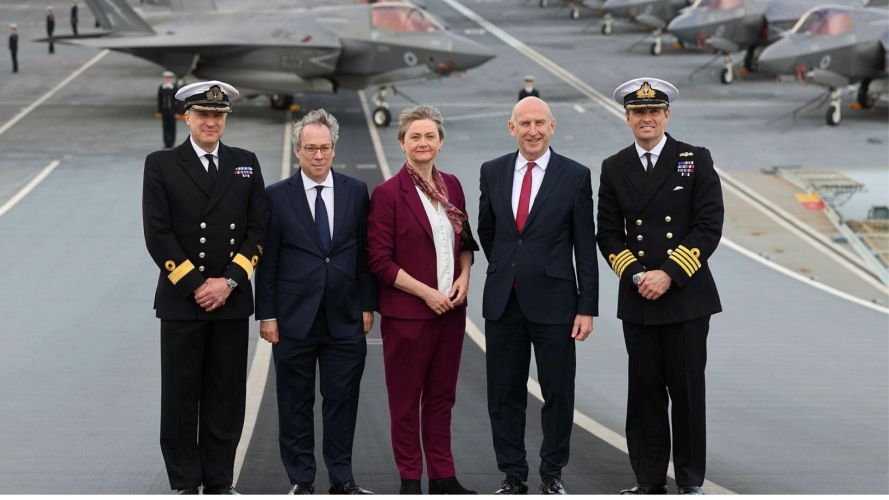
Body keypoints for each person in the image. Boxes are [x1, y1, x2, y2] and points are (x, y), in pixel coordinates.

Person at [597, 78, 723, 495]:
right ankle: (648, 480)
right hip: (639, 298)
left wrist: (668, 272)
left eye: (653, 112)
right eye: (638, 112)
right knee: (645, 394)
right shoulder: (614, 166)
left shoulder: (695, 159)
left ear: (666, 115)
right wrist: (636, 274)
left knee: (687, 393)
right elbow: (608, 234)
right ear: (627, 117)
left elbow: (708, 226)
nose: (646, 118)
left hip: (685, 297)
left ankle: (689, 481)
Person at [142, 80, 269, 495]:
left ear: (225, 119)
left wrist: (229, 281)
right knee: (181, 396)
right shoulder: (161, 164)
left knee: (225, 395)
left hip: (229, 300)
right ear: (187, 117)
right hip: (183, 300)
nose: (211, 122)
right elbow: (157, 233)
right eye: (203, 114)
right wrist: (198, 285)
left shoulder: (245, 162)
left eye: (218, 115)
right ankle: (184, 481)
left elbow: (257, 229)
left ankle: (218, 481)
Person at [477, 96, 597, 495]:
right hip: (503, 301)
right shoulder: (492, 171)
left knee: (558, 393)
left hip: (556, 304)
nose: (532, 131)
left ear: (552, 126)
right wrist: (511, 268)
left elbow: (585, 247)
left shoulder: (575, 175)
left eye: (539, 123)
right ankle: (513, 474)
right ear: (511, 128)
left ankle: (552, 473)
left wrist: (586, 307)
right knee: (503, 394)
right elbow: (488, 232)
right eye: (524, 123)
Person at [254, 109, 377, 495]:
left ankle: (342, 479)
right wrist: (267, 314)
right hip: (293, 320)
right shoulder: (275, 196)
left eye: (324, 148)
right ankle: (301, 480)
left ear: (334, 149)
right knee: (294, 403)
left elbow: (364, 254)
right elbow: (267, 260)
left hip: (345, 317)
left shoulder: (357, 191)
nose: (318, 155)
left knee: (342, 401)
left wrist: (367, 304)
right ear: (297, 150)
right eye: (311, 148)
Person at [367, 105, 479, 495]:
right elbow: (380, 261)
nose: (423, 142)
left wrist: (465, 277)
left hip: (450, 313)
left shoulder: (452, 185)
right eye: (415, 136)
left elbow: (466, 243)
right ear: (402, 143)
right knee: (405, 401)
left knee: (442, 397)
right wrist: (426, 293)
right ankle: (410, 479)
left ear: (440, 142)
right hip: (409, 316)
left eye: (430, 136)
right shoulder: (387, 195)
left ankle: (444, 477)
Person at [157, 70, 178, 149]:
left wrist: (176, 112)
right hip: (164, 111)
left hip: (172, 112)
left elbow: (177, 101)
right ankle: (166, 143)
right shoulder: (161, 88)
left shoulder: (174, 88)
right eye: (166, 78)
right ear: (164, 79)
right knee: (165, 128)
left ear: (171, 79)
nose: (167, 80)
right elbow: (159, 100)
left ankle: (172, 143)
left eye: (169, 78)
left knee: (172, 128)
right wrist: (159, 111)